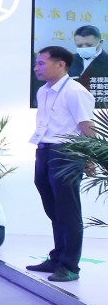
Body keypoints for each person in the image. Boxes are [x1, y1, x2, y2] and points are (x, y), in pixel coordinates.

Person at [29, 46, 94, 283]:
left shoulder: (75, 91)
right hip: (44, 150)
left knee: (68, 211)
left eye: (41, 63)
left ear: (61, 64)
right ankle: (57, 258)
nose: (36, 68)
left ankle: (69, 265)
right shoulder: (43, 91)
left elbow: (87, 126)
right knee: (54, 209)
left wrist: (90, 157)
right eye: (36, 63)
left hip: (67, 153)